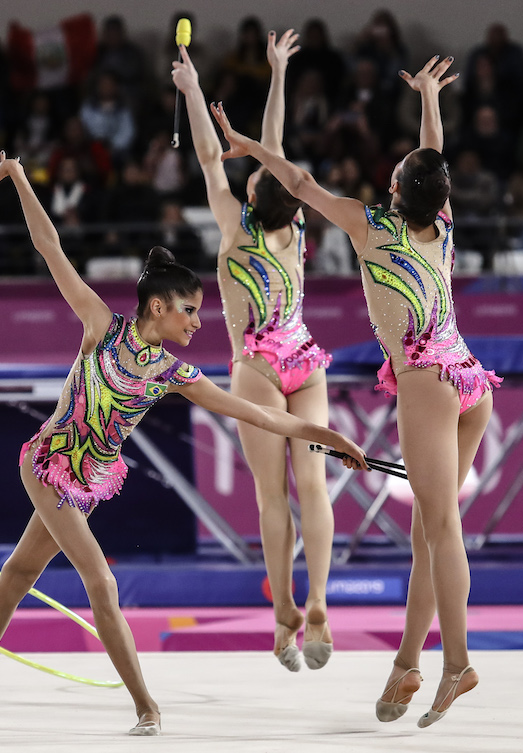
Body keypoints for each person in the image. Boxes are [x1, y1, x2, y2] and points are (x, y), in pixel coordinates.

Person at [0, 150, 369, 735]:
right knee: (101, 581)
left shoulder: (172, 373)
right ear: (158, 307)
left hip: (88, 480)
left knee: (15, 576)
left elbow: (259, 416)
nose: (198, 323)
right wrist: (23, 179)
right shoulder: (100, 328)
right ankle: (146, 707)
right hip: (50, 462)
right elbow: (50, 249)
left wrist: (325, 434)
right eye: (189, 311)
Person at [211, 54, 501, 726]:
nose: (396, 168)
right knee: (432, 531)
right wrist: (429, 97)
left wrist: (250, 146)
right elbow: (435, 155)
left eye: (398, 169)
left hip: (428, 381)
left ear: (398, 188)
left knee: (440, 527)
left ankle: (457, 660)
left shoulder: (374, 228)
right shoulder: (443, 220)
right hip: (471, 377)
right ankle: (407, 661)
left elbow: (302, 182)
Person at [174, 28, 338, 674]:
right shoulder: (296, 224)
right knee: (314, 488)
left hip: (257, 367)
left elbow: (213, 158)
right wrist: (277, 75)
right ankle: (320, 601)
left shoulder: (235, 233)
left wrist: (190, 90)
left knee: (274, 498)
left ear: (250, 196)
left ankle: (283, 617)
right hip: (304, 356)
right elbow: (271, 152)